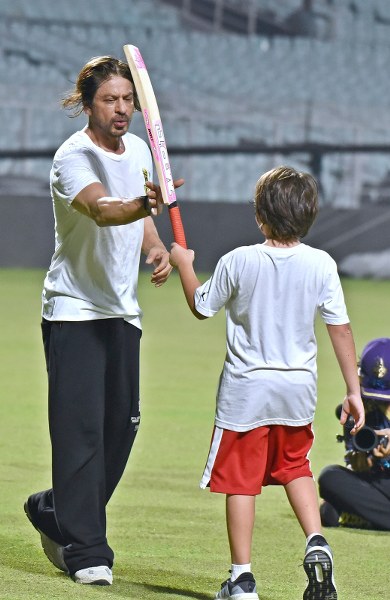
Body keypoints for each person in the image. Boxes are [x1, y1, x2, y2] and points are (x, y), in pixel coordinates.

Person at [169, 165, 365, 600]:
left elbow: (202, 307)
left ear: (259, 216)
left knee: (241, 481)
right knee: (296, 468)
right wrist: (353, 390)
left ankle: (241, 578)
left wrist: (184, 263)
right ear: (309, 217)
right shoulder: (322, 264)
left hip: (246, 392)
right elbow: (341, 329)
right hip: (298, 391)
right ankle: (316, 539)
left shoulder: (239, 261)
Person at [24, 55, 183, 586]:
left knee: (121, 430)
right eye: (109, 99)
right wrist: (143, 205)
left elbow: (137, 224)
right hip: (74, 311)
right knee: (82, 433)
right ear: (87, 104)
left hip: (122, 312)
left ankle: (55, 508)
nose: (121, 109)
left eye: (127, 99)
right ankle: (88, 548)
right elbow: (103, 210)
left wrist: (156, 246)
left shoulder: (136, 149)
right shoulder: (72, 157)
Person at [319, 337, 390, 531]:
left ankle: (355, 515)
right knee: (329, 477)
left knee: (330, 511)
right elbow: (360, 464)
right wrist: (361, 466)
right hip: (377, 485)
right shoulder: (356, 410)